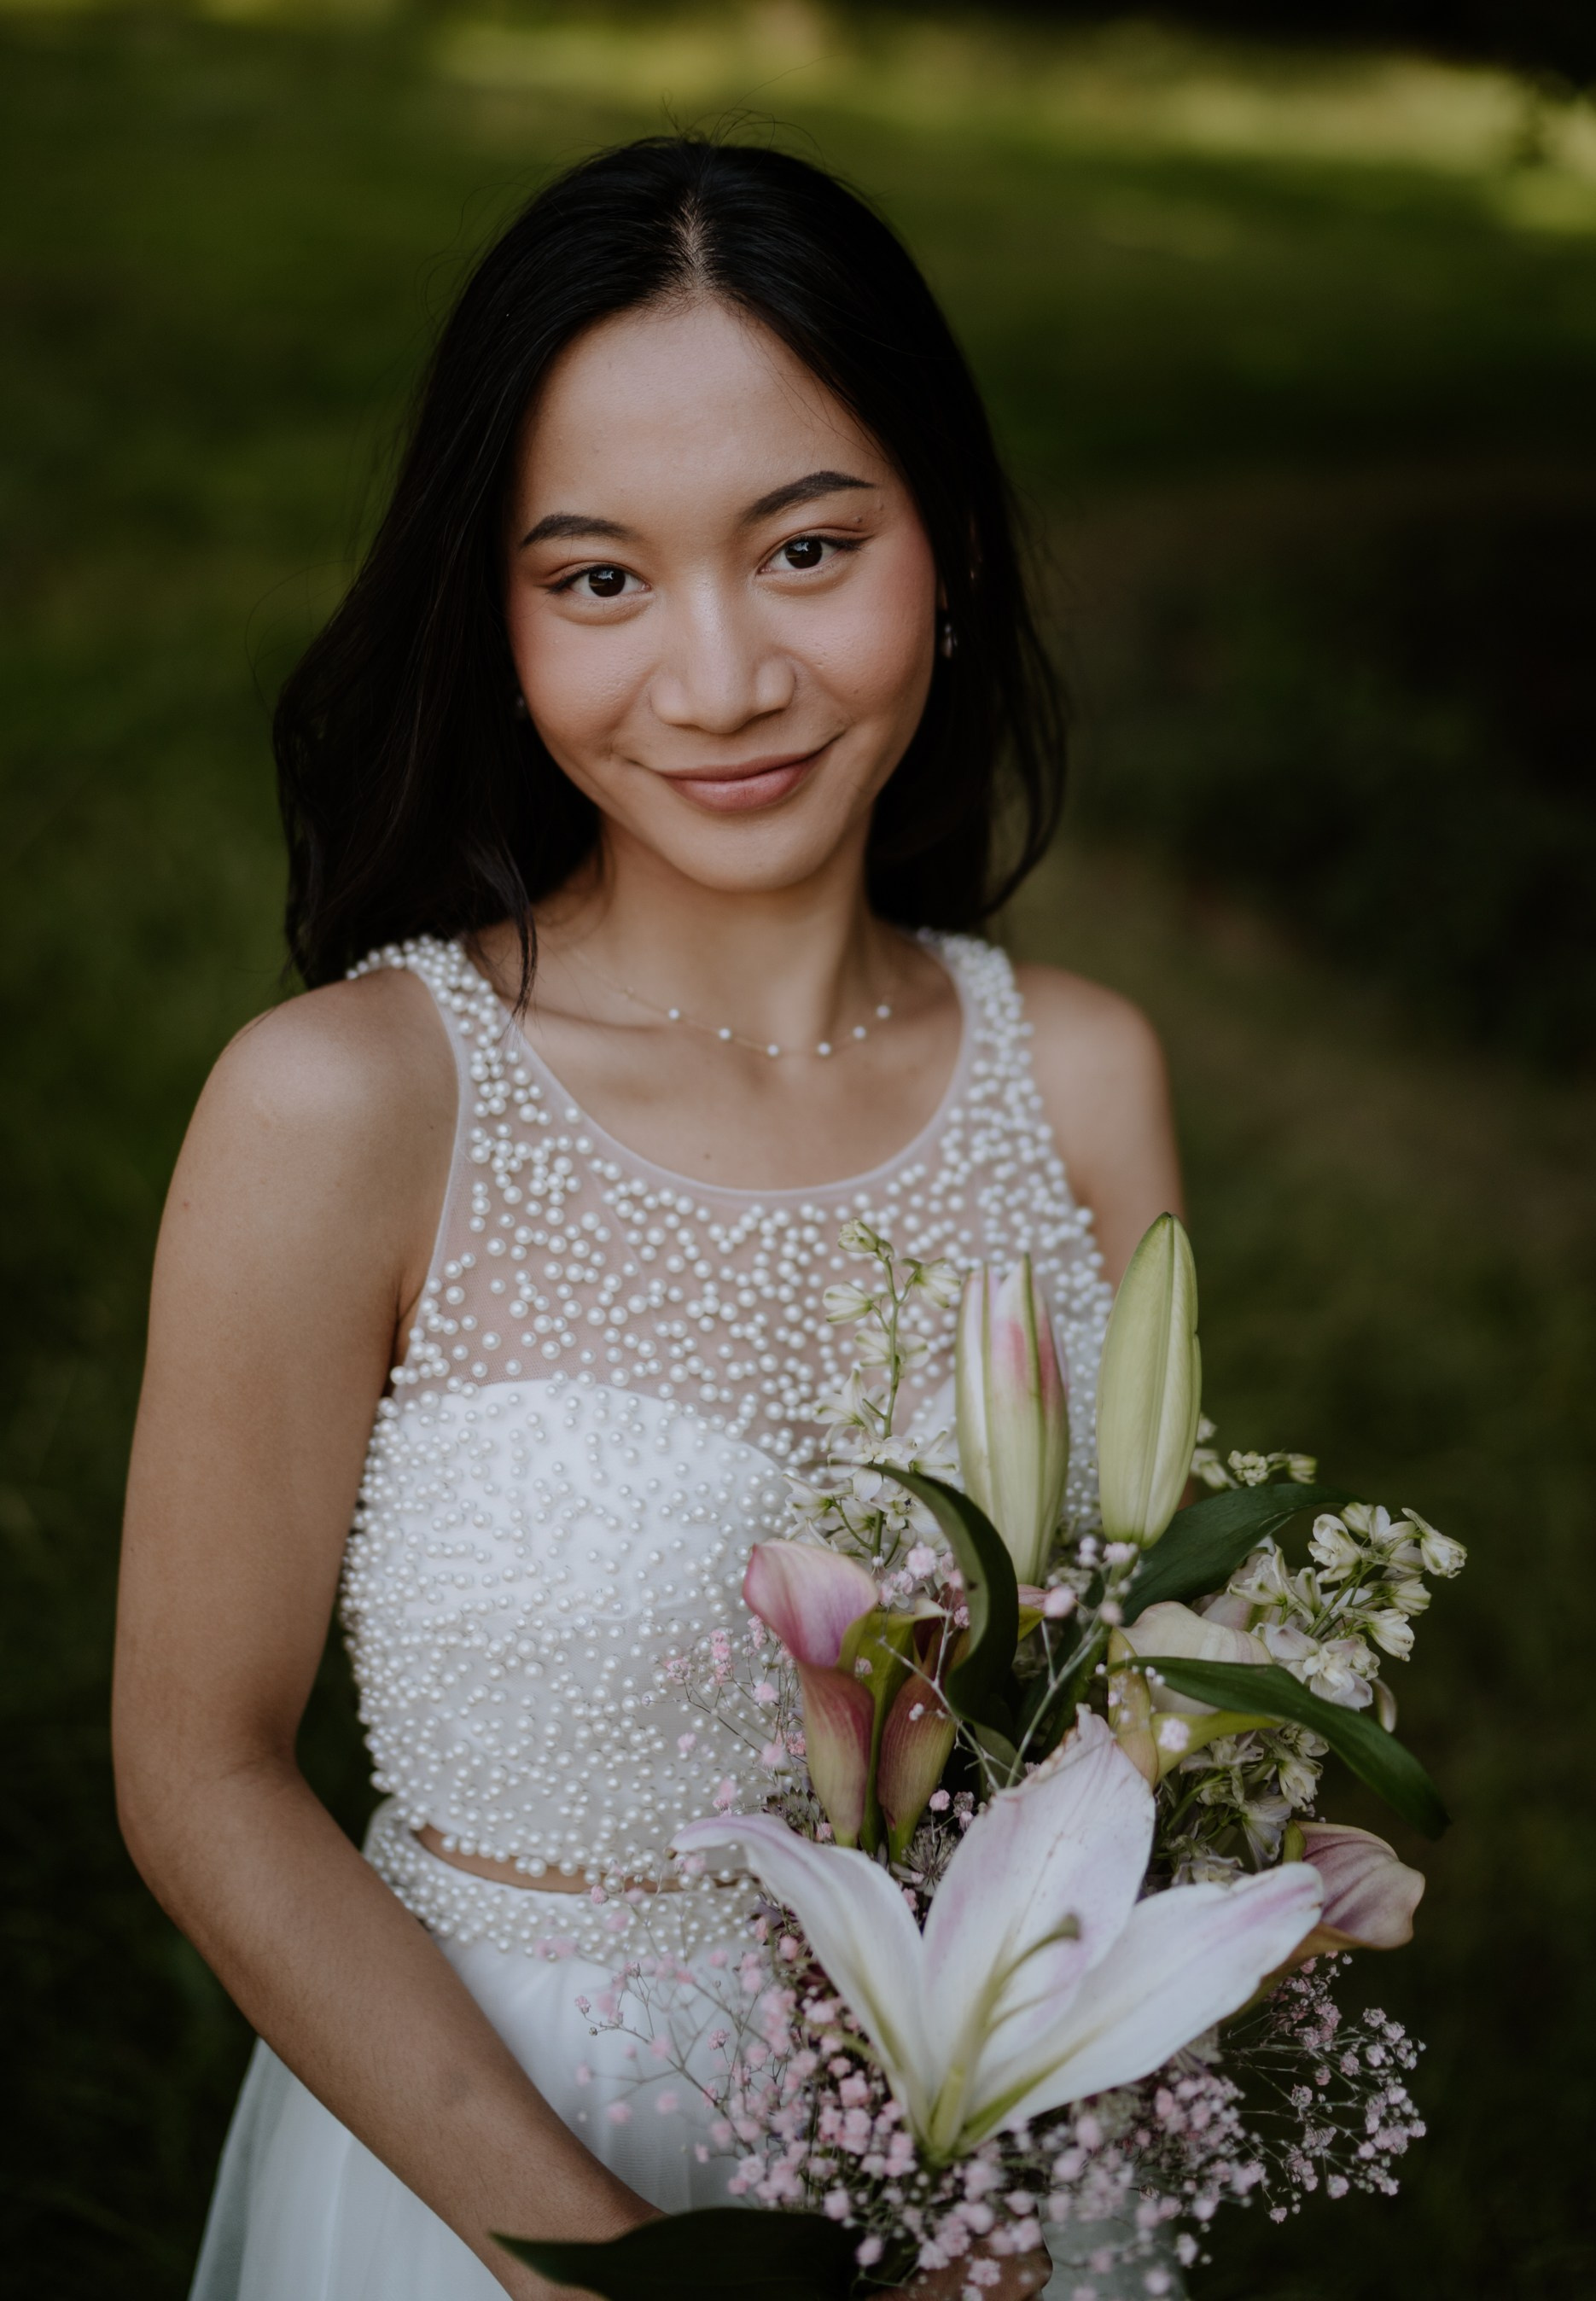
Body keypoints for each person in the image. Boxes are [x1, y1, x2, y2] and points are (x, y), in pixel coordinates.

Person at [113, 137, 1183, 2301]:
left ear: (949, 547)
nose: (717, 681)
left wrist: (1031, 2140)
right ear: (494, 617)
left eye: (806, 549)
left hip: (975, 2183)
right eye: (598, 580)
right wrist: (597, 2271)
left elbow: (1122, 1711)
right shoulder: (350, 1101)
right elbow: (200, 1766)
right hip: (482, 2176)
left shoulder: (1082, 1078)